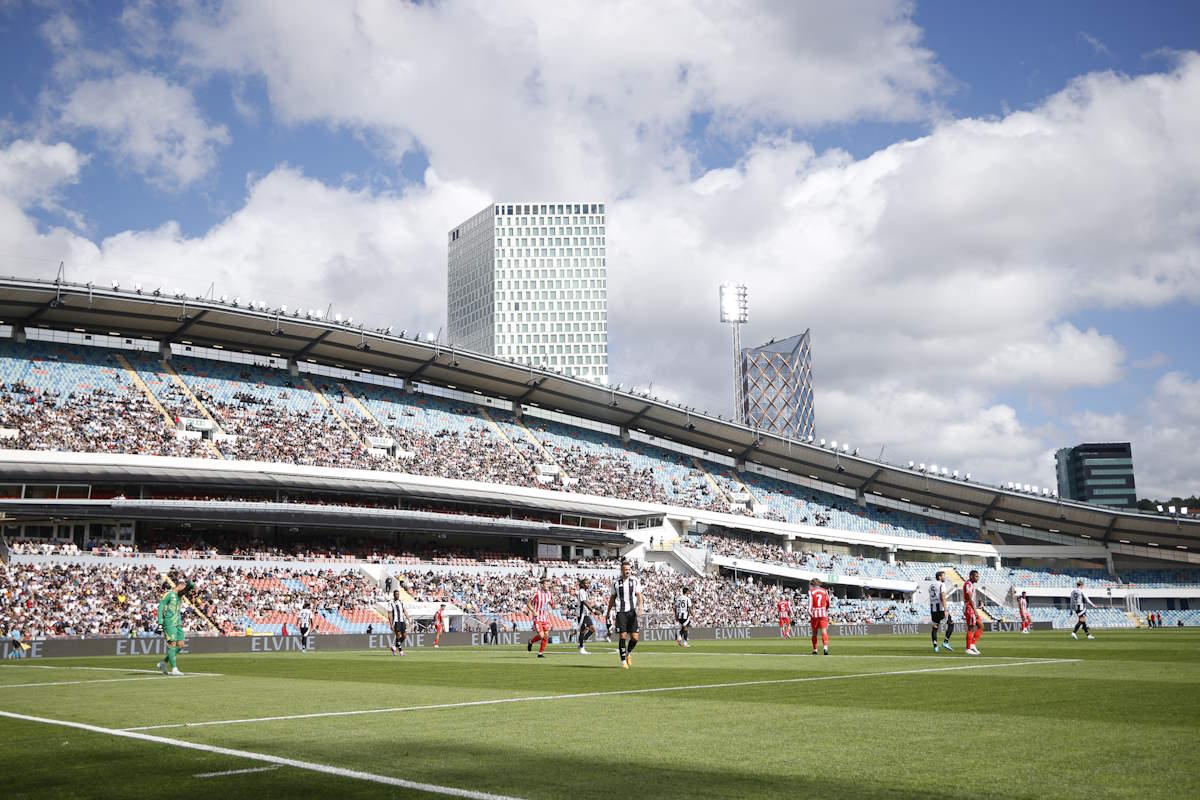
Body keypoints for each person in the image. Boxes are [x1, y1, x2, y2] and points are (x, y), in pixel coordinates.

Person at [607, 559, 643, 669]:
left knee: (635, 638)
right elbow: (612, 598)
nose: (627, 571)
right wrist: (608, 611)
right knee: (622, 636)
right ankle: (623, 661)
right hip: (620, 612)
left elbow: (639, 595)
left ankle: (628, 653)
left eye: (628, 569)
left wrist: (640, 606)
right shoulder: (615, 582)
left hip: (632, 612)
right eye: (625, 569)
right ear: (621, 570)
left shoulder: (635, 580)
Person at [156, 575, 192, 676]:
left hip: (178, 622)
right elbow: (160, 607)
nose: (185, 590)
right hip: (169, 622)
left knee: (181, 645)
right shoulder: (168, 594)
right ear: (179, 586)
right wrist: (160, 622)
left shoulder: (180, 595)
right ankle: (174, 669)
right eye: (183, 587)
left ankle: (163, 662)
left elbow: (191, 586)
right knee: (172, 644)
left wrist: (189, 581)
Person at [526, 575, 556, 658]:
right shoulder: (537, 593)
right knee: (542, 635)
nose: (548, 586)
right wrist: (533, 611)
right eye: (546, 584)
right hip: (537, 618)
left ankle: (540, 653)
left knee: (546, 635)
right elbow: (528, 603)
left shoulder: (549, 594)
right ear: (542, 585)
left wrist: (553, 605)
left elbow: (553, 605)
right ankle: (531, 642)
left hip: (545, 618)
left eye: (548, 584)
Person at [929, 571, 954, 652]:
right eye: (943, 576)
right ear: (939, 577)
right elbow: (942, 596)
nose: (945, 577)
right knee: (951, 623)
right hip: (940, 608)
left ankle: (935, 646)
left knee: (935, 627)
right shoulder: (941, 584)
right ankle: (945, 642)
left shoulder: (931, 585)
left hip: (933, 609)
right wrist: (945, 609)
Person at [963, 569, 983, 655]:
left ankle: (972, 645)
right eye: (976, 576)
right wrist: (975, 610)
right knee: (971, 627)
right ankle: (968, 648)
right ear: (971, 576)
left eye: (978, 576)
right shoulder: (968, 584)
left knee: (981, 626)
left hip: (971, 607)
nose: (977, 578)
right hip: (969, 608)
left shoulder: (971, 585)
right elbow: (969, 598)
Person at [808, 579, 830, 655]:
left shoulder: (811, 591)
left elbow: (810, 602)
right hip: (823, 612)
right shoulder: (825, 591)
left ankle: (815, 650)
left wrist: (809, 611)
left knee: (814, 633)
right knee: (824, 631)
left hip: (815, 613)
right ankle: (825, 648)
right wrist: (825, 609)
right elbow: (828, 602)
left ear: (813, 584)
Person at [576, 578, 596, 655]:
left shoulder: (584, 592)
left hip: (586, 614)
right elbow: (584, 602)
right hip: (581, 614)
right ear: (582, 584)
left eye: (588, 583)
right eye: (586, 583)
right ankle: (581, 648)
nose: (588, 584)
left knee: (592, 629)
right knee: (582, 630)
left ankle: (582, 642)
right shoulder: (581, 591)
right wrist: (593, 610)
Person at [390, 589, 409, 656]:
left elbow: (404, 610)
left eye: (398, 594)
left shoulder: (401, 602)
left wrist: (408, 618)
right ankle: (401, 652)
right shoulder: (391, 602)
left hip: (402, 621)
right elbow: (390, 614)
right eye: (396, 594)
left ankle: (394, 647)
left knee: (404, 636)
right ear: (394, 595)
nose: (397, 595)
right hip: (396, 621)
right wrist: (391, 624)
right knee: (398, 635)